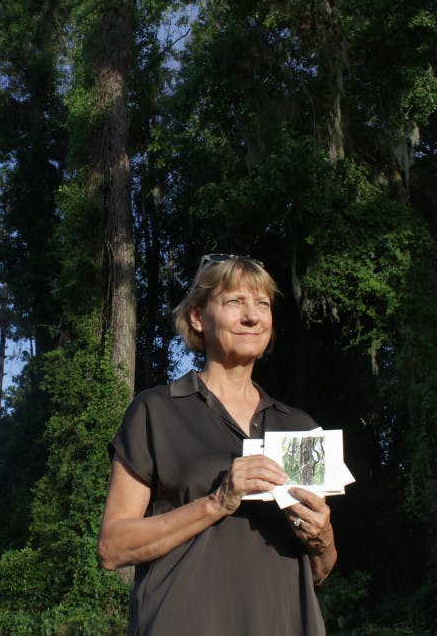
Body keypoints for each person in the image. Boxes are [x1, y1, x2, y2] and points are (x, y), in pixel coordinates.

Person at [98, 254, 336, 635]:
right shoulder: (156, 411)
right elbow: (113, 548)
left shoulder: (300, 427)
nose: (252, 316)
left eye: (262, 304)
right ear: (197, 317)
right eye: (234, 302)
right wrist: (216, 502)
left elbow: (319, 572)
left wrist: (322, 539)